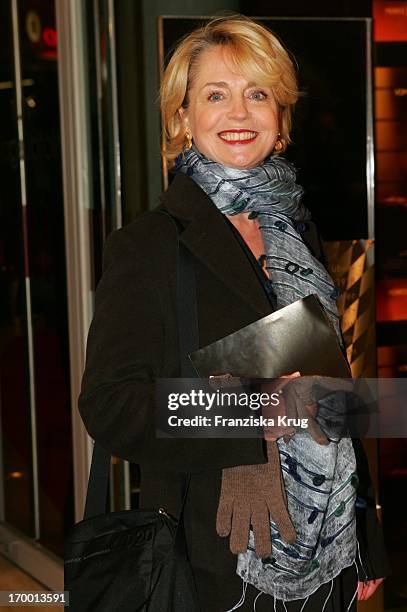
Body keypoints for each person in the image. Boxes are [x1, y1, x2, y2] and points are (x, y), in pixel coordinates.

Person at [78, 15, 390, 611]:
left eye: (258, 94)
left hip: (330, 549)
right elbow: (110, 404)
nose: (239, 113)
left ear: (281, 118)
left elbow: (335, 397)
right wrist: (249, 410)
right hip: (215, 560)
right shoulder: (150, 243)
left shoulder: (297, 232)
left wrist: (365, 543)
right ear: (183, 119)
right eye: (215, 95)